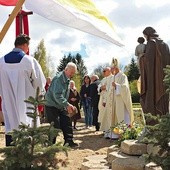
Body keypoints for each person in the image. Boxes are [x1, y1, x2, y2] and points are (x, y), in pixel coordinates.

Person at [0, 34, 46, 146]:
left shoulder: (1, 61)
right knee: (27, 126)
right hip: (27, 103)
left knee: (11, 125)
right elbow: (39, 83)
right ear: (25, 45)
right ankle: (27, 160)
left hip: (9, 102)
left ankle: (11, 156)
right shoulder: (29, 61)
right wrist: (39, 96)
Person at [45, 62, 78, 148]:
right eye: (71, 72)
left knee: (67, 122)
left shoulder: (67, 78)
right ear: (66, 69)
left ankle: (69, 142)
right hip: (51, 105)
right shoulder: (58, 79)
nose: (72, 74)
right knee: (54, 125)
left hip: (60, 105)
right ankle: (50, 146)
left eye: (73, 73)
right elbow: (57, 95)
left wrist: (66, 105)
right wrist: (67, 104)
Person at [140, 27, 170, 117]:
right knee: (164, 99)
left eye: (145, 35)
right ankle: (164, 120)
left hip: (153, 79)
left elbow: (148, 61)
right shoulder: (165, 45)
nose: (145, 38)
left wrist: (142, 58)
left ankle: (153, 125)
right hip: (164, 79)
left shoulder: (151, 43)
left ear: (148, 34)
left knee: (151, 99)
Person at [105, 58, 134, 139]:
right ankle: (114, 134)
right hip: (113, 101)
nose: (111, 70)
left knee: (121, 117)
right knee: (113, 117)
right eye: (111, 68)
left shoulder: (123, 76)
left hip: (121, 102)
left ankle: (122, 134)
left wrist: (117, 86)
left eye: (112, 68)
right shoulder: (112, 77)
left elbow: (125, 88)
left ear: (116, 68)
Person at [98, 67, 113, 133]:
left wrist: (106, 87)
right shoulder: (103, 79)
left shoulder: (113, 78)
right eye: (103, 71)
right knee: (103, 114)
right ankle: (105, 129)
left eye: (105, 71)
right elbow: (99, 87)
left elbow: (112, 88)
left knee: (109, 115)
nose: (103, 72)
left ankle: (110, 130)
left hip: (109, 99)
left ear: (109, 71)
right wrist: (101, 88)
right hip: (103, 99)